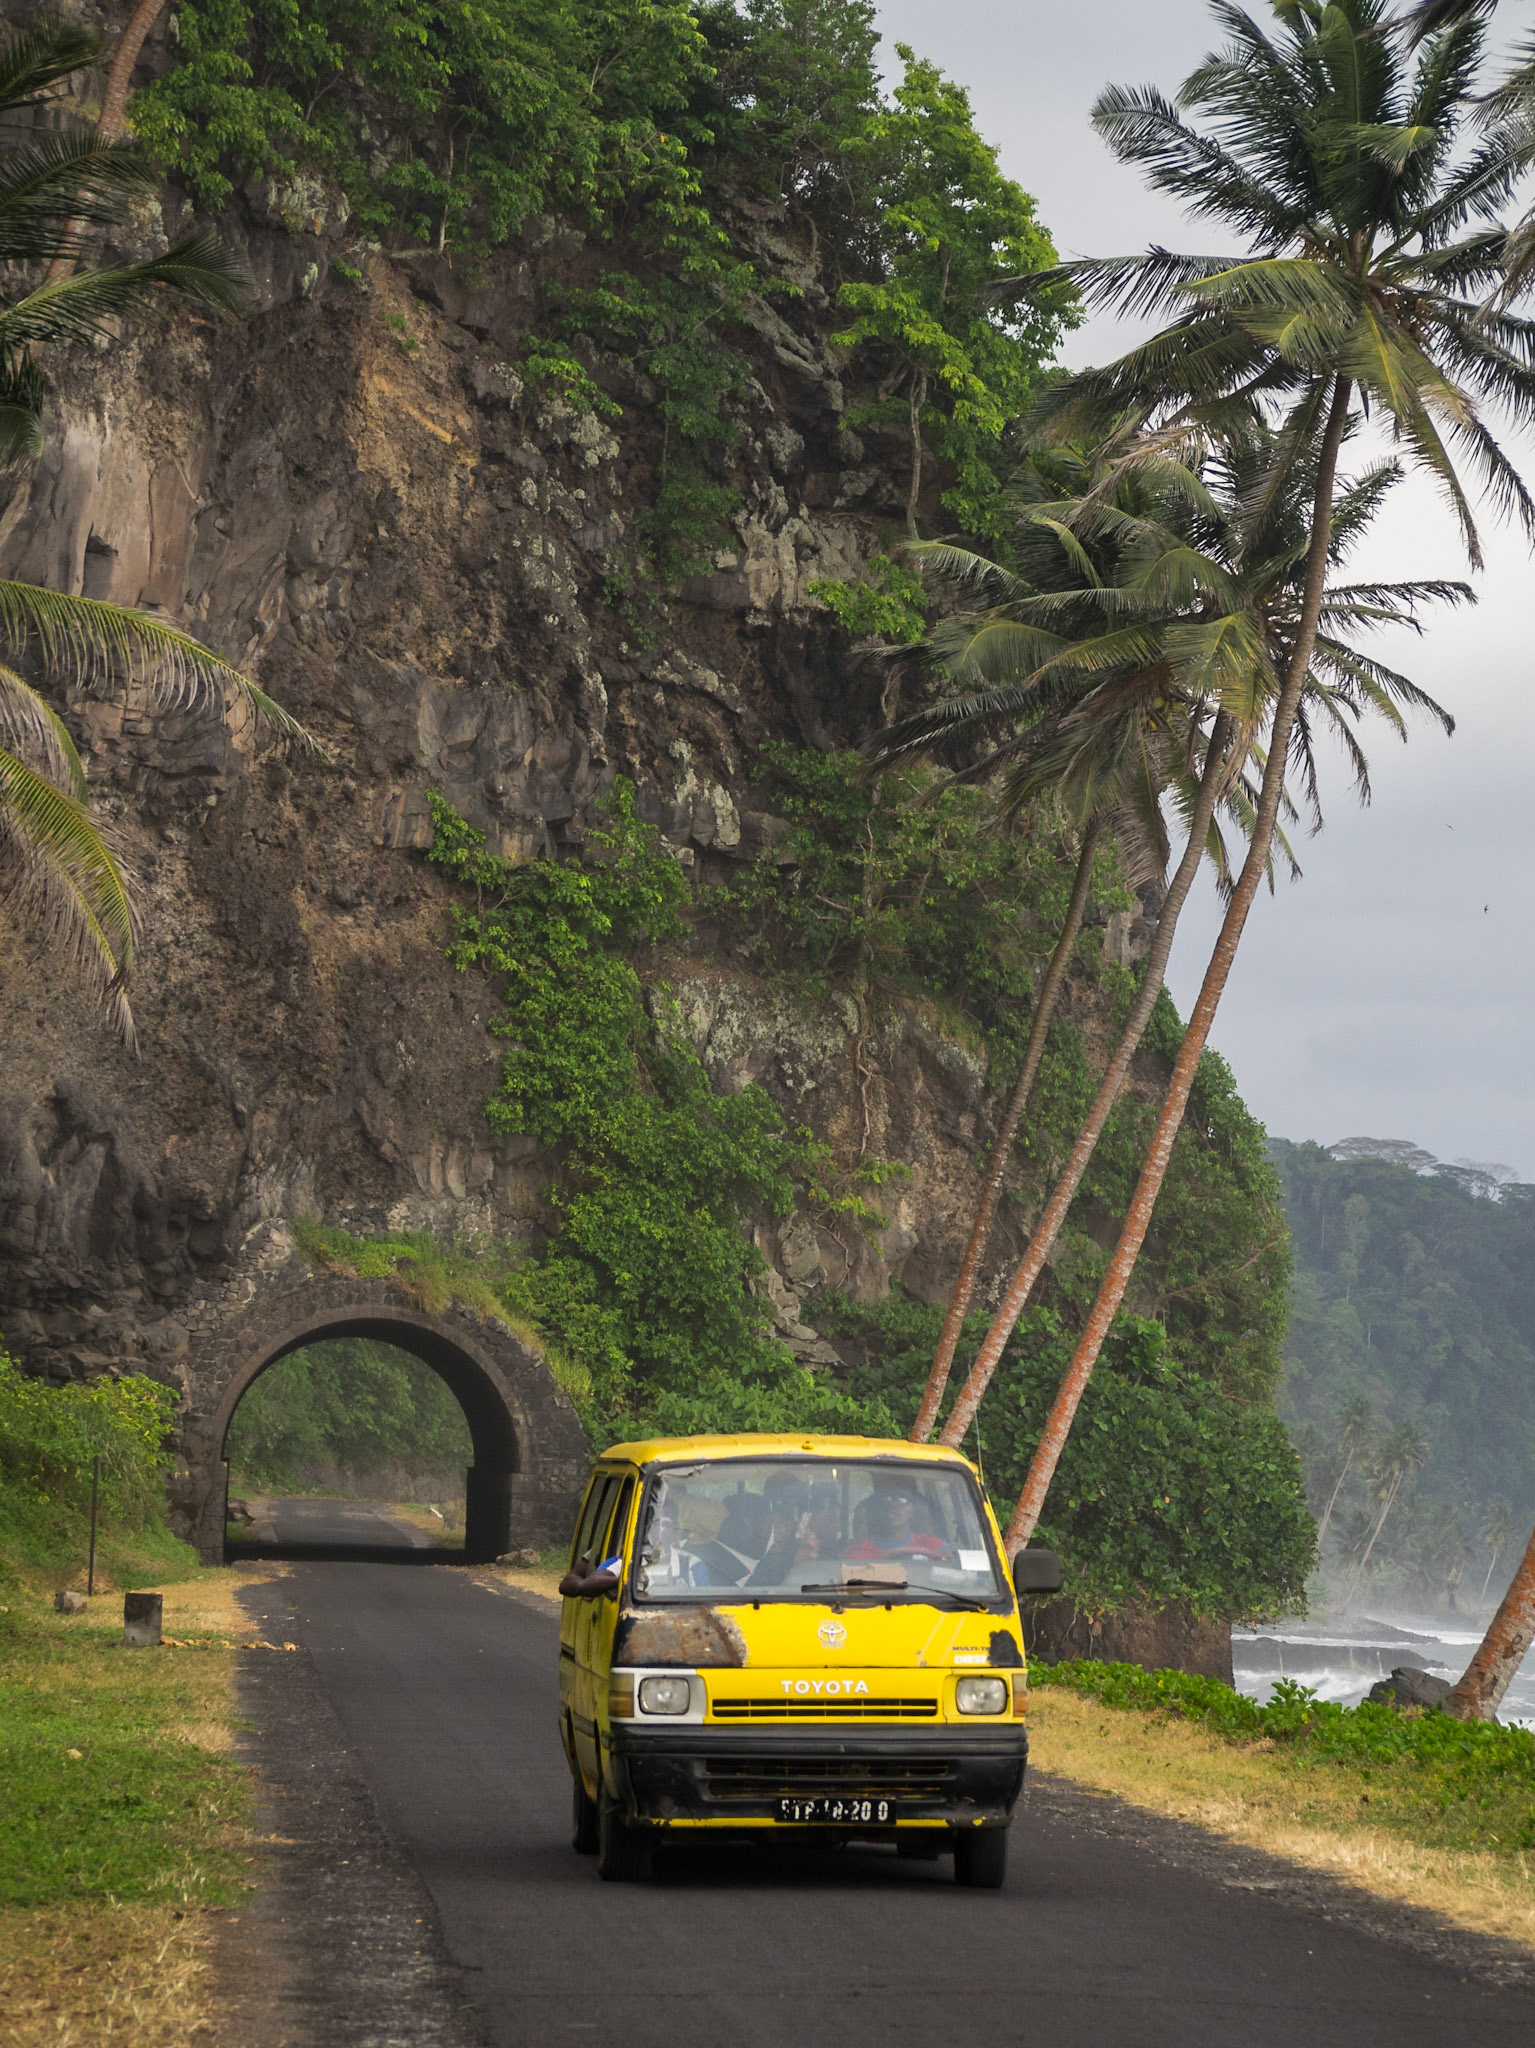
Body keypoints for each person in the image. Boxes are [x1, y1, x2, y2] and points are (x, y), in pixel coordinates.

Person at [844, 1483, 949, 1562]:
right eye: (887, 1499)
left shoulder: (934, 1547)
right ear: (878, 1509)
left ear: (912, 1510)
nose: (894, 1505)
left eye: (903, 1499)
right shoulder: (856, 1553)